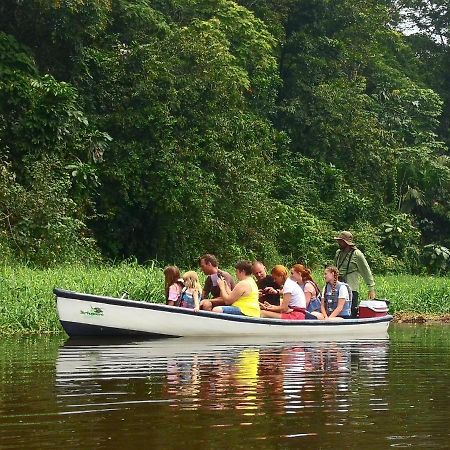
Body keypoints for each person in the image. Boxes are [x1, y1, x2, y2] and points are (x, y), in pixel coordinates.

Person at [334, 231, 376, 318]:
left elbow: (366, 271)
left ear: (346, 242)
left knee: (351, 311)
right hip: (339, 286)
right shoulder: (338, 253)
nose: (339, 243)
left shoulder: (357, 254)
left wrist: (371, 288)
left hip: (351, 287)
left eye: (341, 241)